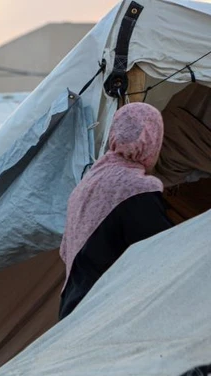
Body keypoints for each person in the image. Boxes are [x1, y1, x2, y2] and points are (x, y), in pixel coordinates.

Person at [59, 102, 173, 319]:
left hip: (73, 309)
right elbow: (163, 250)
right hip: (102, 312)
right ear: (151, 139)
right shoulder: (134, 188)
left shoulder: (89, 182)